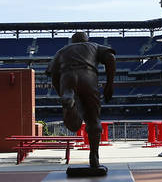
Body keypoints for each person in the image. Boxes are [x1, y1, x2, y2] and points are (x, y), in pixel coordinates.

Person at [46, 32, 116, 170]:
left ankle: (70, 103)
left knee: (73, 124)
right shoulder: (94, 46)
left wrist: (61, 93)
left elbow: (54, 75)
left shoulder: (62, 51)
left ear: (72, 41)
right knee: (93, 119)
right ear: (86, 40)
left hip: (66, 78)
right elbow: (111, 57)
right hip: (88, 76)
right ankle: (94, 159)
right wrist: (109, 84)